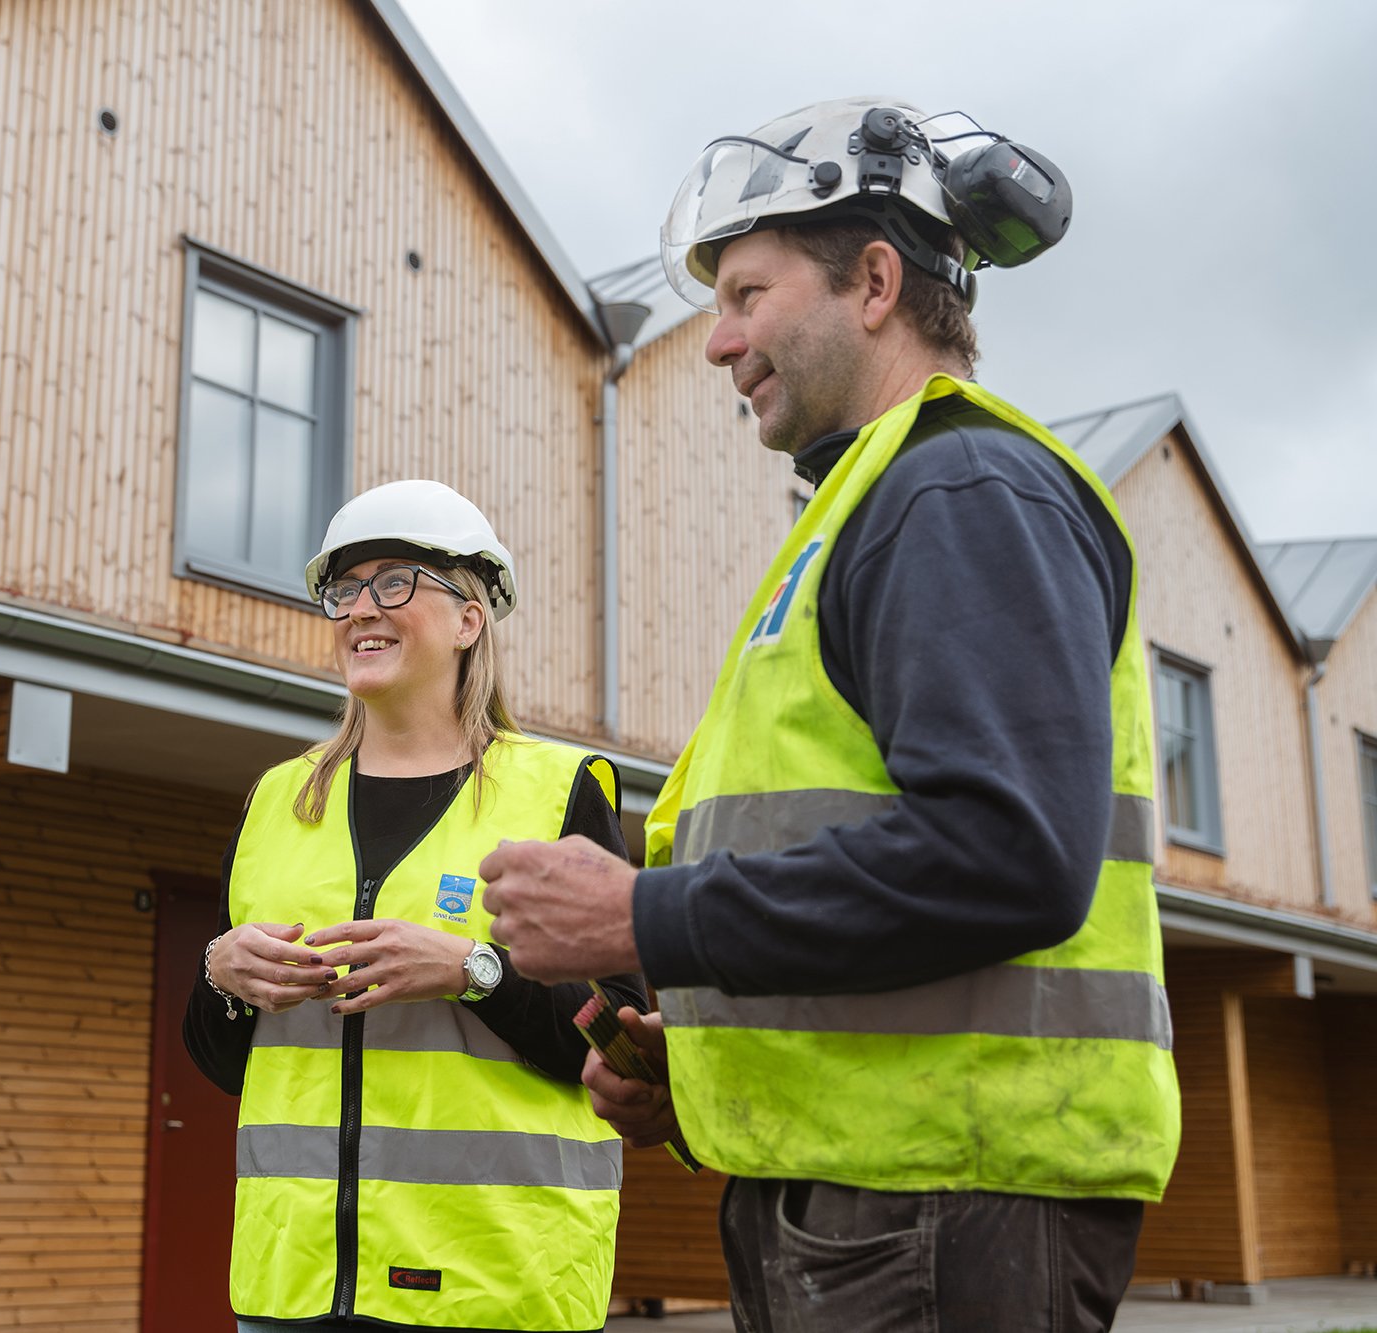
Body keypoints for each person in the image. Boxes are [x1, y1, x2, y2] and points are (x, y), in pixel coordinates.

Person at [480, 97, 1181, 1330]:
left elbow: (1004, 856)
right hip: (875, 1205)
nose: (716, 342)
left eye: (746, 294)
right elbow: (841, 874)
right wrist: (687, 1070)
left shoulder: (955, 487)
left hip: (941, 1206)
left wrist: (635, 907)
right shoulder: (870, 507)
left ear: (870, 281)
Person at [184, 479, 643, 1333]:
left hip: (494, 1286)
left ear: (471, 618)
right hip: (292, 1287)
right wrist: (221, 975)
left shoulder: (554, 795)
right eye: (344, 589)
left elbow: (621, 1032)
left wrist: (472, 972)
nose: (362, 608)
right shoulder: (275, 803)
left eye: (395, 581)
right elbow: (224, 1063)